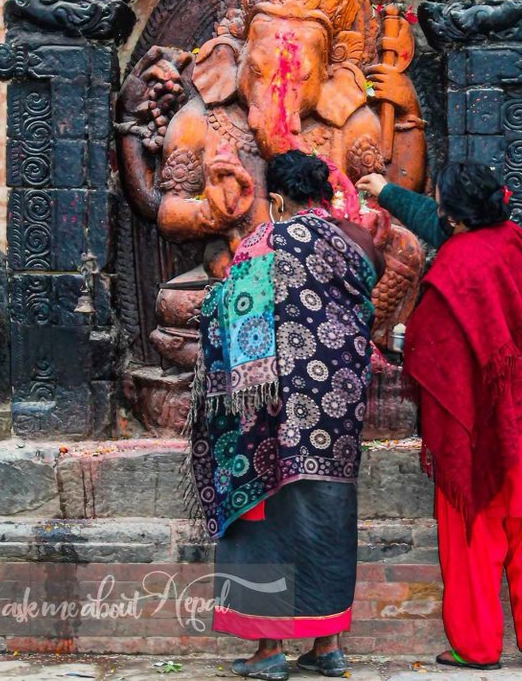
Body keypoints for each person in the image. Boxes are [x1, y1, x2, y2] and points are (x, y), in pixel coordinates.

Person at [357, 163, 522, 674]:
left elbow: (428, 347)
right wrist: (388, 192)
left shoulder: (453, 265)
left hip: (475, 422)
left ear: (452, 217)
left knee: (474, 531)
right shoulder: (517, 241)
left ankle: (476, 648)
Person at [188, 150, 384, 680]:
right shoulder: (356, 242)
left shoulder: (265, 242)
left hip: (274, 409)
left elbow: (233, 312)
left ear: (276, 198)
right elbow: (367, 304)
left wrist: (213, 302)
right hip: (338, 405)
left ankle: (269, 651)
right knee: (327, 514)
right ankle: (327, 645)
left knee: (268, 520)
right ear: (323, 193)